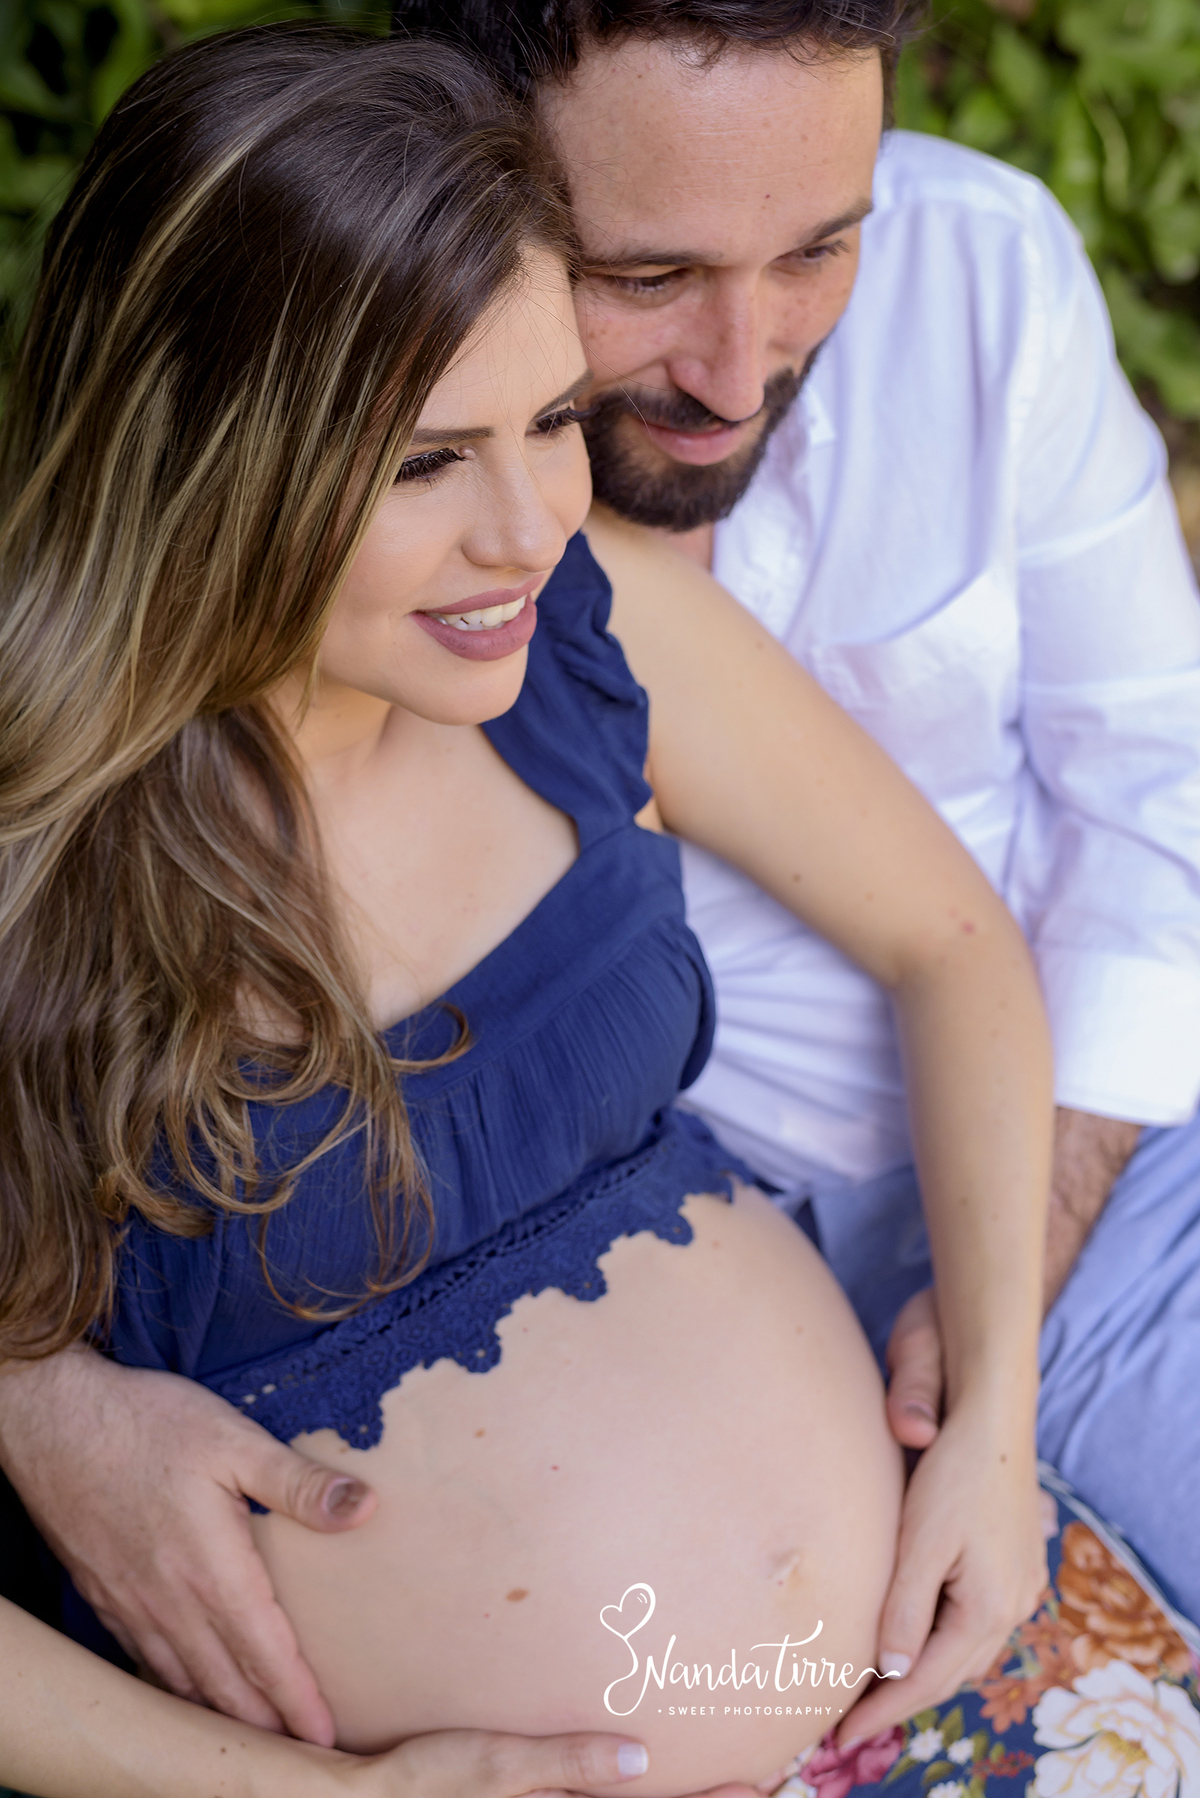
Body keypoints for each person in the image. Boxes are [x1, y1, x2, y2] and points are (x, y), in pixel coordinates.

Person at [0, 24, 1055, 1796]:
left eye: (554, 417)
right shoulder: (42, 849)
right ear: (200, 450)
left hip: (934, 1682)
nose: (532, 521)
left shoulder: (585, 632)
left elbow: (955, 945)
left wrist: (1000, 1433)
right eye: (426, 462)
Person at [380, 0, 1200, 1618]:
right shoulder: (391, 513)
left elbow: (1154, 781)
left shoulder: (979, 271)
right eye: (647, 276)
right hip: (744, 1326)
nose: (741, 369)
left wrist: (1019, 1259)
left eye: (821, 251)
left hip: (1121, 1146)